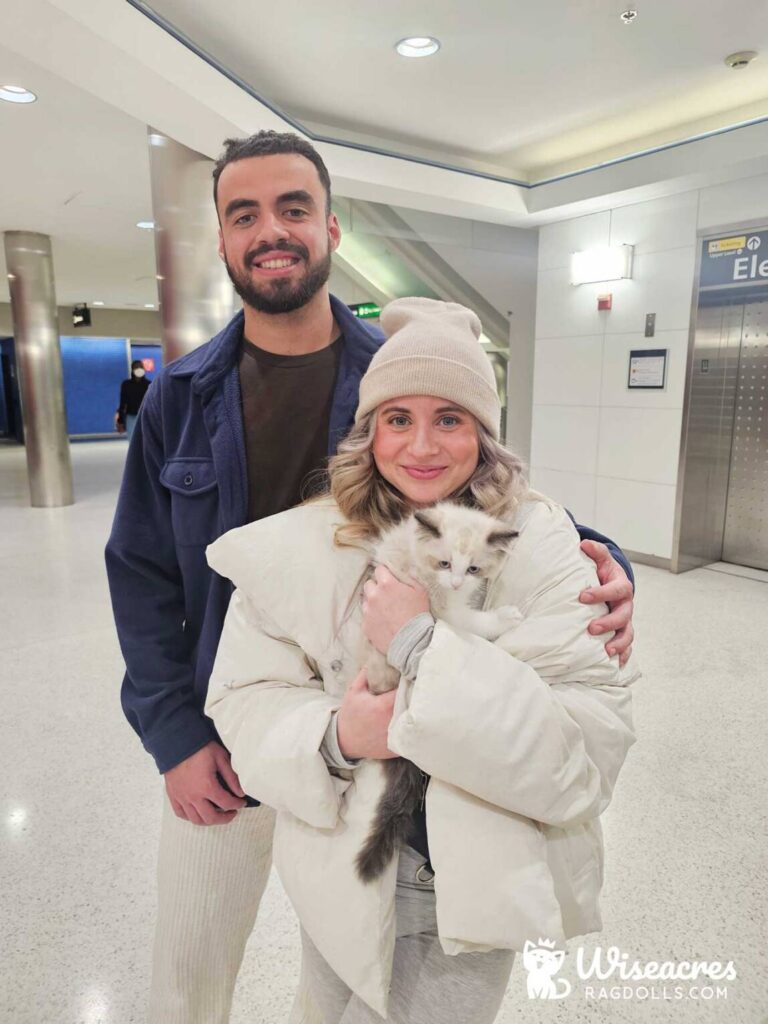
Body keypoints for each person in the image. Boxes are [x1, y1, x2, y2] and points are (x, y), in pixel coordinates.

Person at [105, 132, 635, 1024]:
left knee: (353, 972)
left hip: (385, 741)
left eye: (293, 208)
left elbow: (483, 496)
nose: (271, 230)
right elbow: (141, 572)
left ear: (332, 227)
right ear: (225, 239)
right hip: (230, 729)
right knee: (188, 972)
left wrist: (599, 553)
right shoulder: (180, 393)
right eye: (245, 214)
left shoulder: (395, 368)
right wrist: (173, 736)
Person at [204, 296, 638, 1024]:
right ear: (370, 432)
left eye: (451, 418)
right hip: (339, 861)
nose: (422, 446)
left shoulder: (541, 544)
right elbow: (247, 697)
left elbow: (584, 752)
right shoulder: (313, 543)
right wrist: (338, 738)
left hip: (463, 885)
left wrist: (418, 646)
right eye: (397, 419)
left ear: (485, 433)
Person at [116, 359, 150, 439]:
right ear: (132, 369)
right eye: (136, 367)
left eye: (141, 367)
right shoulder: (126, 385)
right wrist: (120, 420)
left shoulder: (149, 384)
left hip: (145, 416)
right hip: (131, 416)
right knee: (132, 440)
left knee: (146, 439)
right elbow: (123, 402)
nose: (139, 369)